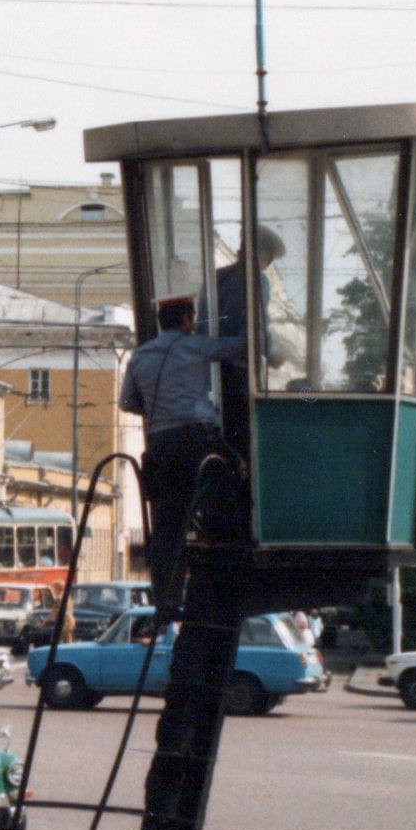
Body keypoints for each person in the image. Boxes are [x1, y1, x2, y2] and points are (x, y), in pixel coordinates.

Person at [119, 294, 247, 617]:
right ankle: (231, 551)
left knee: (167, 524)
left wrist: (159, 409)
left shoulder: (140, 356)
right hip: (197, 438)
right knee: (237, 472)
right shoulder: (196, 346)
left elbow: (127, 404)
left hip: (160, 443)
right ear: (188, 319)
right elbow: (239, 348)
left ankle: (167, 598)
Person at [213, 225, 286, 453]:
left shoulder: (218, 277)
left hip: (213, 373)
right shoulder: (258, 281)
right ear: (261, 255)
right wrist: (271, 352)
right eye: (268, 259)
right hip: (239, 373)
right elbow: (256, 324)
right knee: (247, 442)